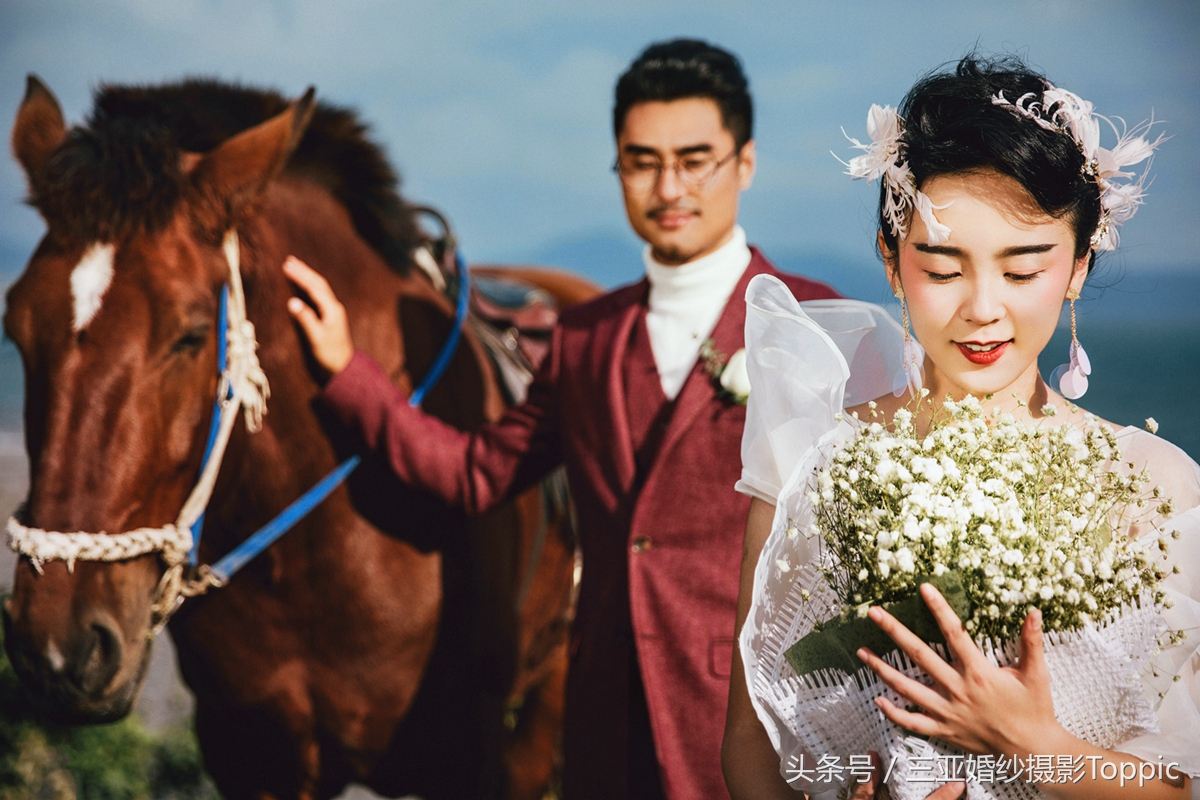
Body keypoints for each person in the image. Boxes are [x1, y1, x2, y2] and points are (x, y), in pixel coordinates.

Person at [284, 39, 840, 800]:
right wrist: (349, 373)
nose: (668, 187)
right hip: (603, 733)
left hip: (756, 726)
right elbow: (476, 474)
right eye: (641, 162)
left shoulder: (812, 321)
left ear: (743, 163)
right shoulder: (584, 339)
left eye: (695, 161)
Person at [723, 55, 1199, 799]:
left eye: (1023, 270)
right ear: (892, 262)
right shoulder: (815, 463)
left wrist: (1033, 746)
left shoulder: (1156, 484)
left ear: (1078, 266)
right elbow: (752, 752)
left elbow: (1180, 783)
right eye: (943, 270)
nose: (982, 309)